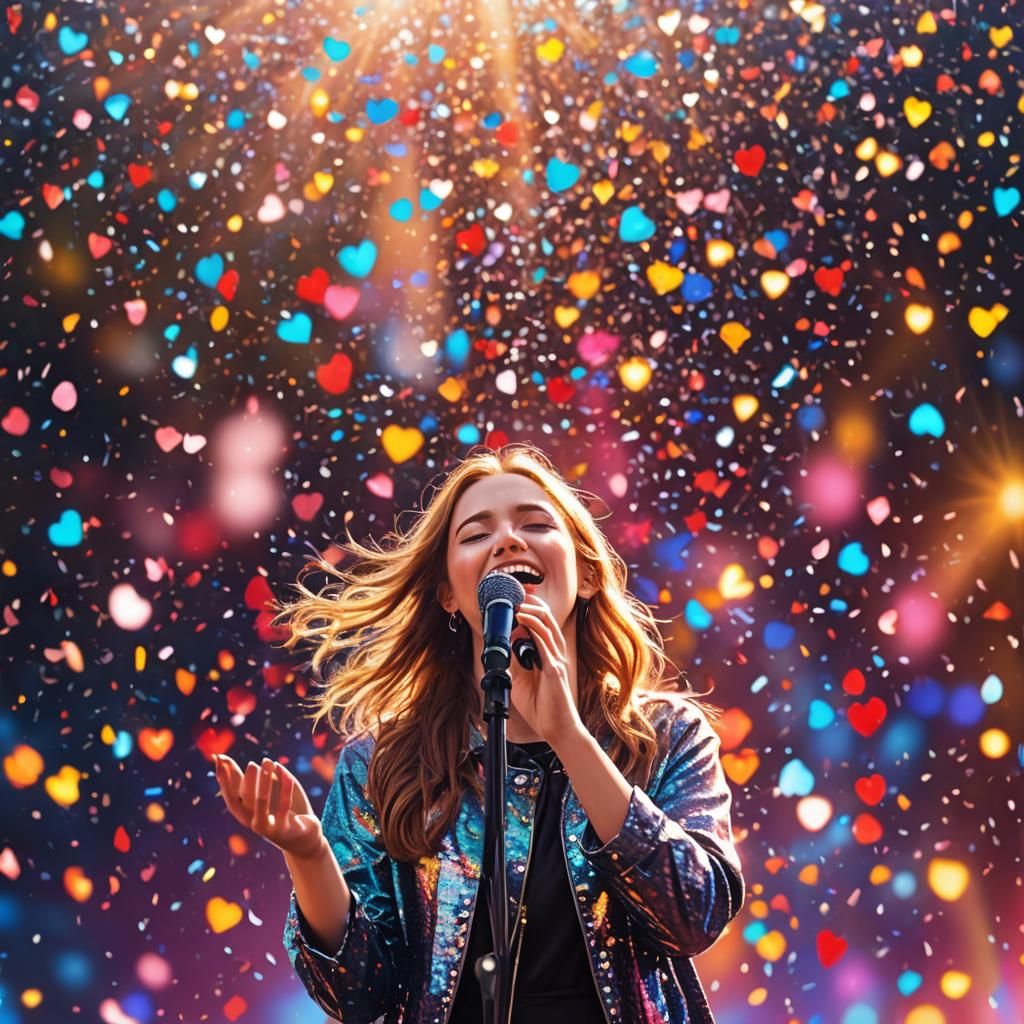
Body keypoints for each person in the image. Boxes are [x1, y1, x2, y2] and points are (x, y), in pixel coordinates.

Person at [213, 443, 745, 1024]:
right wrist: (311, 856)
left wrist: (569, 737)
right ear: (448, 592)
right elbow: (358, 997)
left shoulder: (666, 736)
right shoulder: (383, 762)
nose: (508, 541)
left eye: (536, 524)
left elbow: (693, 917)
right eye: (476, 534)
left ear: (588, 574)